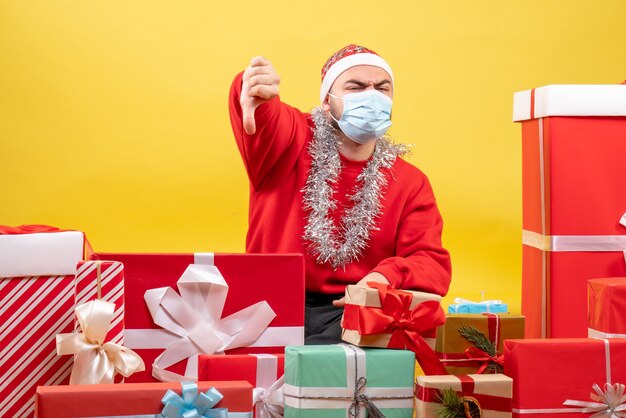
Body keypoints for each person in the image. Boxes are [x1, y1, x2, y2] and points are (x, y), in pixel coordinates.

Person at [229, 44, 451, 344]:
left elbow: (430, 261)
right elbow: (266, 116)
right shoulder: (290, 141)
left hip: (350, 309)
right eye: (356, 87)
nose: (371, 96)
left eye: (382, 88)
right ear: (326, 101)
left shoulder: (410, 182)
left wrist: (385, 277)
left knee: (335, 369)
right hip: (270, 302)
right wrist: (252, 86)